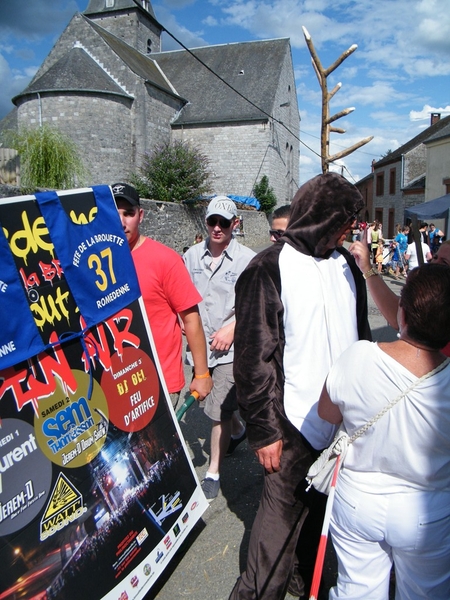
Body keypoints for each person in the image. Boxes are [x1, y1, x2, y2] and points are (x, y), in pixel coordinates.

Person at [229, 173, 371, 600]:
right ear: (320, 216)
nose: (349, 231)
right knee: (273, 537)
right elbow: (253, 359)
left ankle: (302, 580)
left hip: (342, 425)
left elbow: (361, 337)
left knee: (320, 517)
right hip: (290, 426)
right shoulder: (268, 268)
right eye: (344, 221)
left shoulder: (345, 264)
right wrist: (264, 431)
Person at [318, 263, 450, 600]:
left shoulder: (358, 356)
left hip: (357, 500)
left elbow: (327, 412)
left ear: (401, 312)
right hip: (429, 508)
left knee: (357, 591)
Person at [111, 182, 213, 409]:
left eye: (128, 213)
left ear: (140, 215)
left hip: (158, 380)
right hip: (112, 381)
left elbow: (191, 318)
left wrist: (202, 373)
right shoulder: (92, 262)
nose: (121, 222)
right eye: (113, 212)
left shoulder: (165, 260)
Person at [184, 196, 255, 500]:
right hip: (197, 348)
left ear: (234, 224)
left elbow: (255, 305)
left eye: (223, 223)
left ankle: (214, 470)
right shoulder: (190, 257)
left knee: (218, 413)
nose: (216, 228)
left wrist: (233, 328)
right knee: (204, 402)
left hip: (229, 348)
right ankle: (238, 430)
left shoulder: (247, 260)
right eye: (211, 221)